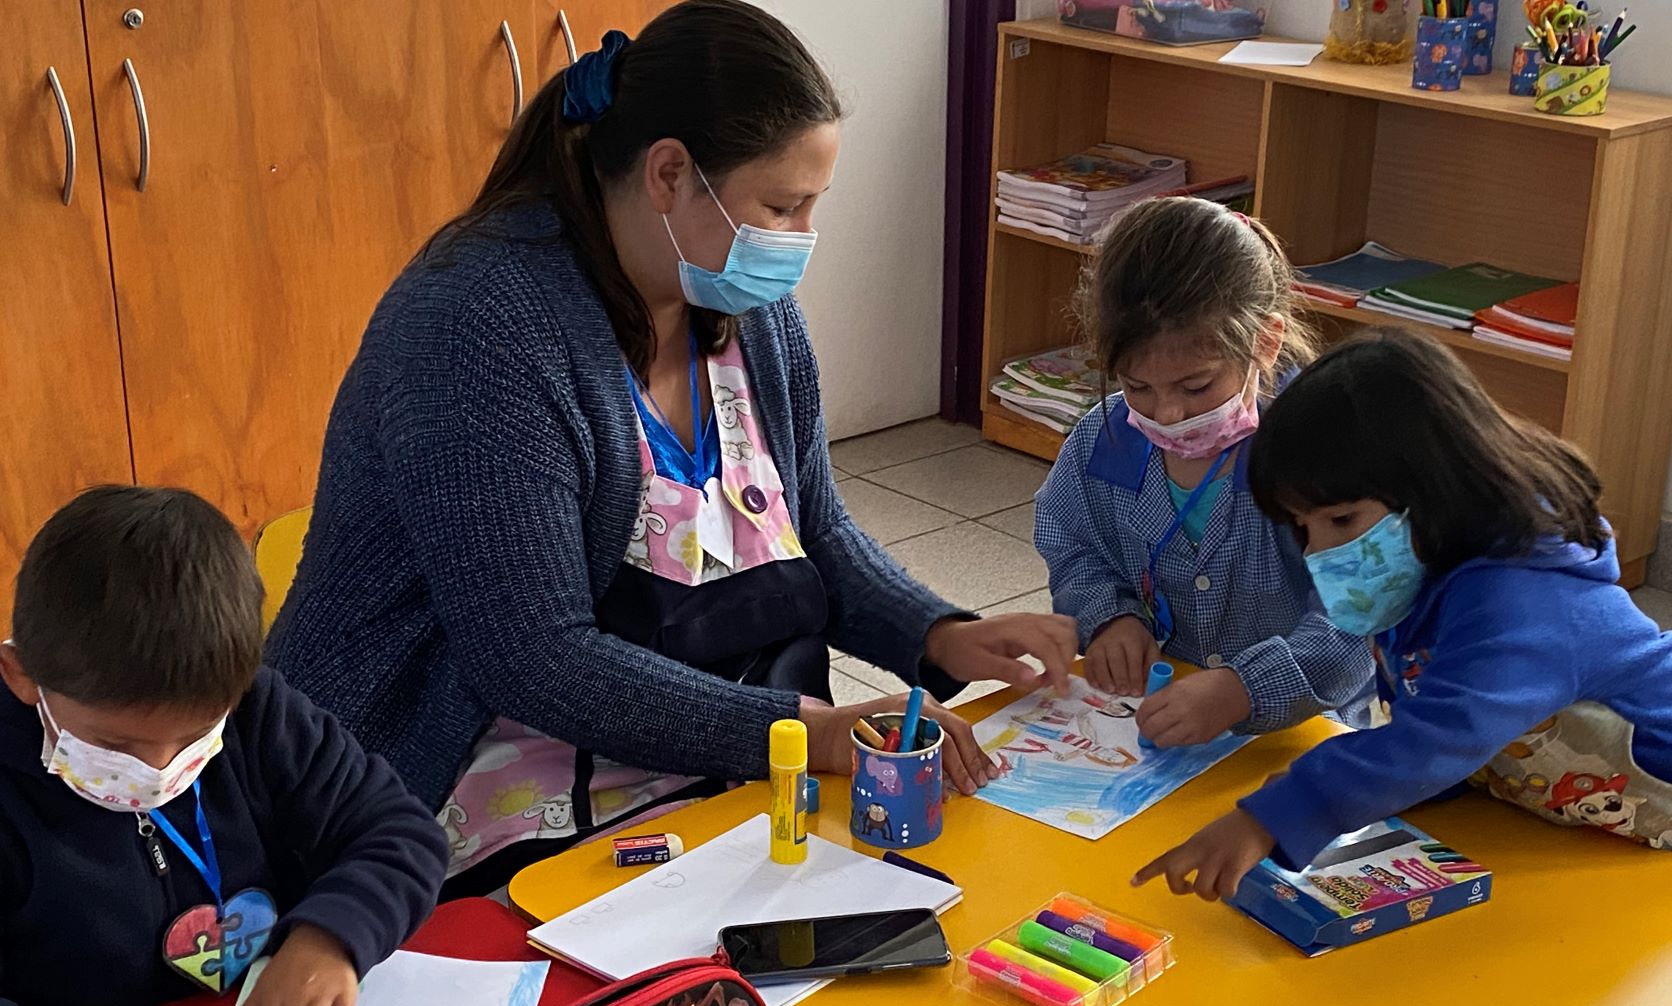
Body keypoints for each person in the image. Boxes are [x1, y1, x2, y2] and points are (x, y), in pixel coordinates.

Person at [266, 0, 1076, 894]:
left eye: (813, 205)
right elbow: (534, 660)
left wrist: (941, 634)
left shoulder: (740, 306)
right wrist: (802, 733)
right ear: (669, 174)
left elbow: (814, 533)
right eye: (782, 206)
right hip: (451, 790)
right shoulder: (478, 327)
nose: (801, 239)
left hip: (688, 756)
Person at [1134, 330, 1672, 902]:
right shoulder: (1421, 559)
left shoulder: (1525, 603)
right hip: (1566, 819)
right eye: (1302, 527)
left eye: (1341, 520)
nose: (1318, 552)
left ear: (1435, 483)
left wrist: (1283, 811)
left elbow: (1439, 737)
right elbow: (1426, 703)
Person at [0, 488, 448, 1006]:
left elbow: (399, 832)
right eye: (115, 745)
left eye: (191, 737)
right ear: (21, 676)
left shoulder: (257, 714)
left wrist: (329, 937)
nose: (159, 767)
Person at [1034, 197, 1372, 747]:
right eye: (1137, 386)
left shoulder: (1323, 455)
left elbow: (1360, 618)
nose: (1167, 414)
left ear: (1265, 343)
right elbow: (1072, 546)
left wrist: (1245, 690)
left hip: (1299, 735)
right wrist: (1109, 617)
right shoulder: (1104, 441)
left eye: (1196, 387)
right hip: (1156, 723)